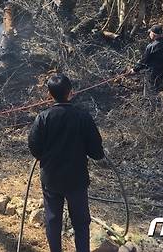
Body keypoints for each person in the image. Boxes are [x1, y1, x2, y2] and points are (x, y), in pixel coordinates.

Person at [28, 74, 105, 252]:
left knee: (52, 218)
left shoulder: (43, 117)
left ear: (49, 94)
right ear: (71, 92)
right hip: (76, 179)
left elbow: (34, 147)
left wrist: (44, 156)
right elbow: (96, 151)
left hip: (51, 179)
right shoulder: (83, 117)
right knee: (81, 221)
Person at [129, 24, 163, 96]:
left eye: (150, 33)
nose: (149, 34)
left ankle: (152, 106)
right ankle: (160, 106)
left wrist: (134, 69)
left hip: (152, 74)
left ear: (153, 34)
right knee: (160, 93)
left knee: (150, 94)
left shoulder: (151, 46)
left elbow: (144, 61)